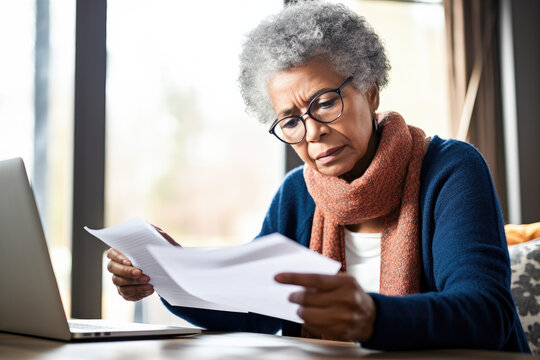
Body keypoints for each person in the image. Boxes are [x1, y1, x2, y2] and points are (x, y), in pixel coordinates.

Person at [106, 1, 530, 352]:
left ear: (369, 89)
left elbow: (485, 313)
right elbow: (254, 309)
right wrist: (166, 273)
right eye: (290, 121)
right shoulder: (297, 195)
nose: (311, 134)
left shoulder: (451, 169)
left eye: (325, 103)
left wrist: (371, 317)